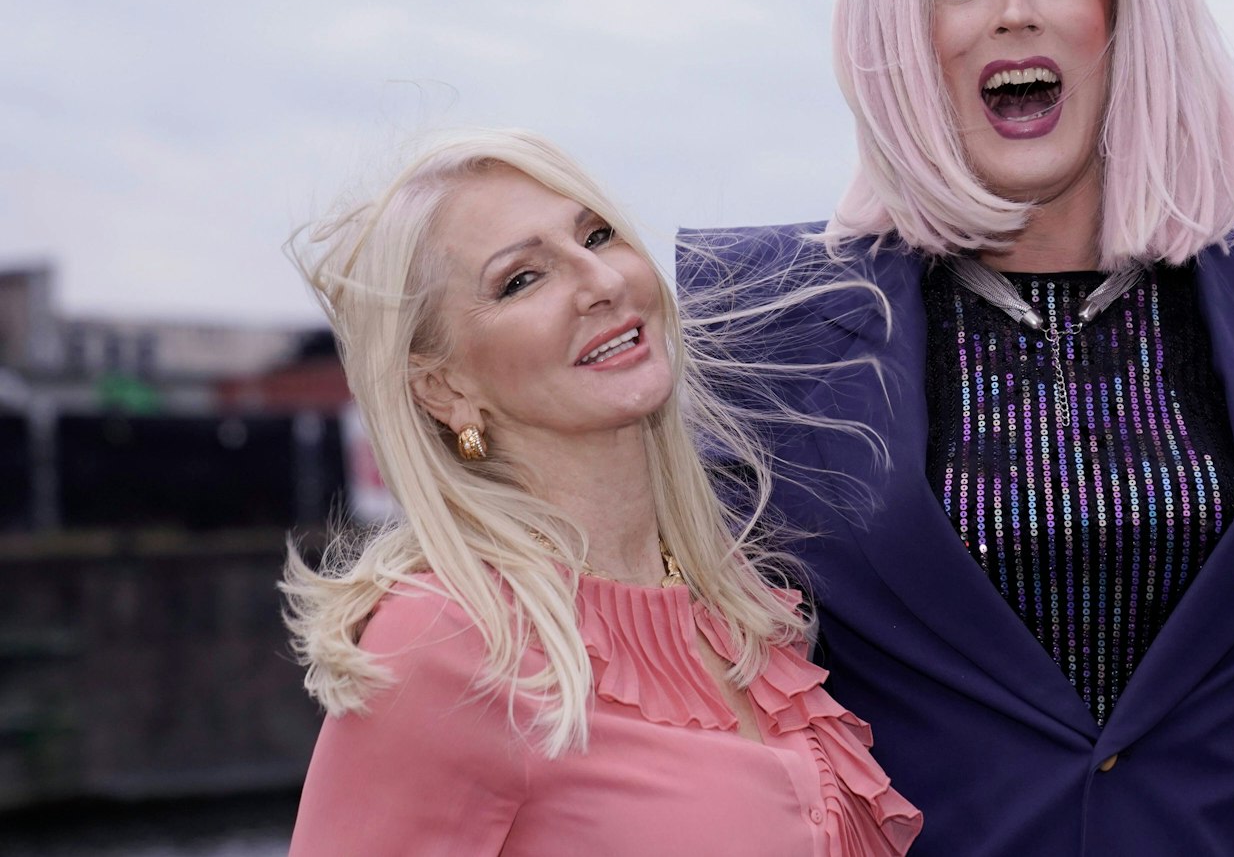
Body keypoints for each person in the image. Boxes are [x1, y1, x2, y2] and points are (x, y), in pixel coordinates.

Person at [680, 0, 1234, 855]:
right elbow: (685, 703)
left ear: (1123, 11)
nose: (1012, 12)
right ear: (897, 32)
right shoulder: (762, 323)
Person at [284, 130, 919, 856]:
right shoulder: (445, 642)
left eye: (598, 234)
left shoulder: (745, 608)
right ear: (444, 387)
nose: (603, 281)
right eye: (522, 278)